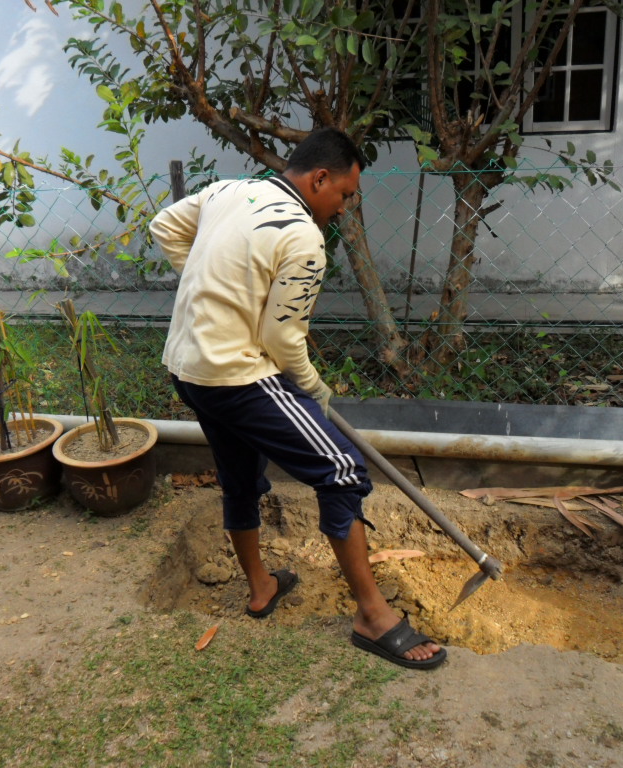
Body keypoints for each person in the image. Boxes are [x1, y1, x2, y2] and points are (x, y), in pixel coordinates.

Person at [150, 127, 446, 670]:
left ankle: (262, 587)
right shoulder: (304, 238)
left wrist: (212, 289)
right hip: (238, 377)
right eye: (346, 195)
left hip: (188, 369)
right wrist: (312, 384)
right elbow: (283, 342)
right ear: (320, 178)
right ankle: (373, 616)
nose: (345, 207)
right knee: (341, 469)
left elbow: (165, 225)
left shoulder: (227, 192)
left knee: (239, 475)